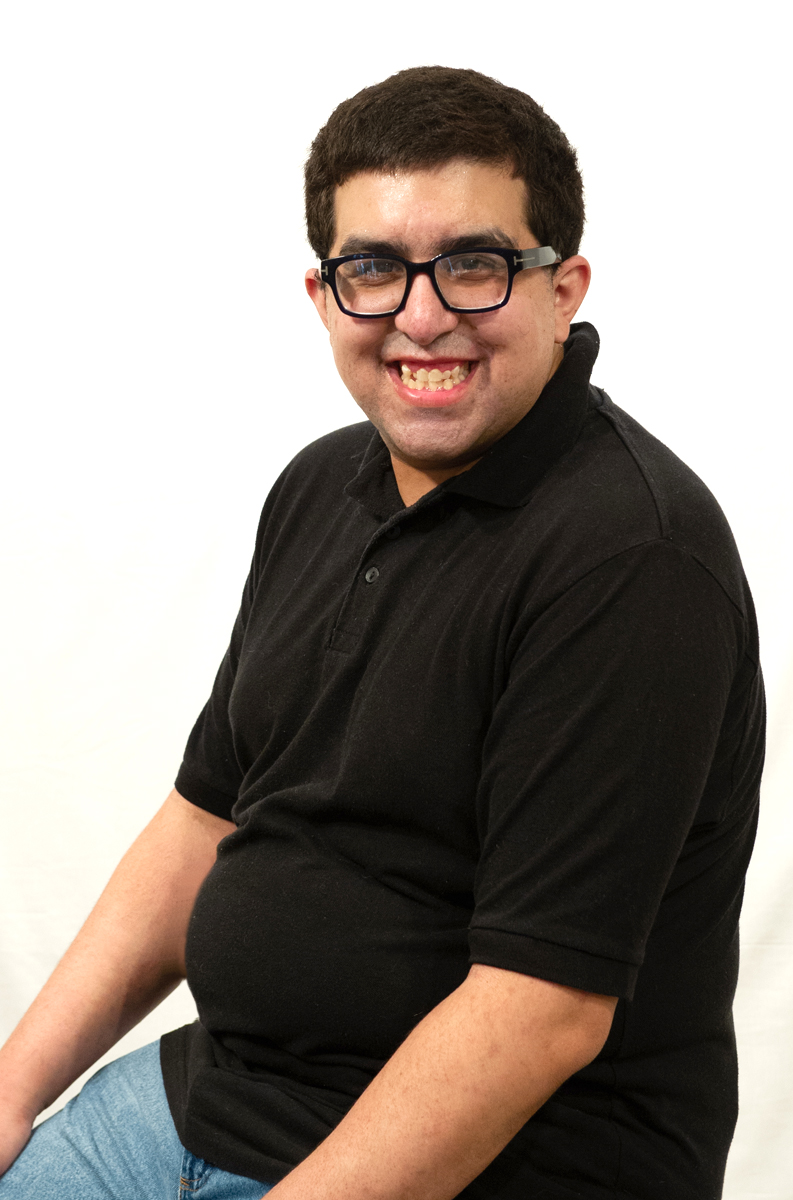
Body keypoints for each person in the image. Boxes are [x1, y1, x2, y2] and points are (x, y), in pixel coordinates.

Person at [0, 66, 764, 1200]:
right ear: (322, 296)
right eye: (373, 270)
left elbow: (539, 1013)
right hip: (219, 1095)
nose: (419, 315)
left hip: (508, 1164)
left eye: (473, 263)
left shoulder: (631, 557)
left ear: (563, 288)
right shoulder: (319, 487)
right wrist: (9, 1093)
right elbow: (202, 819)